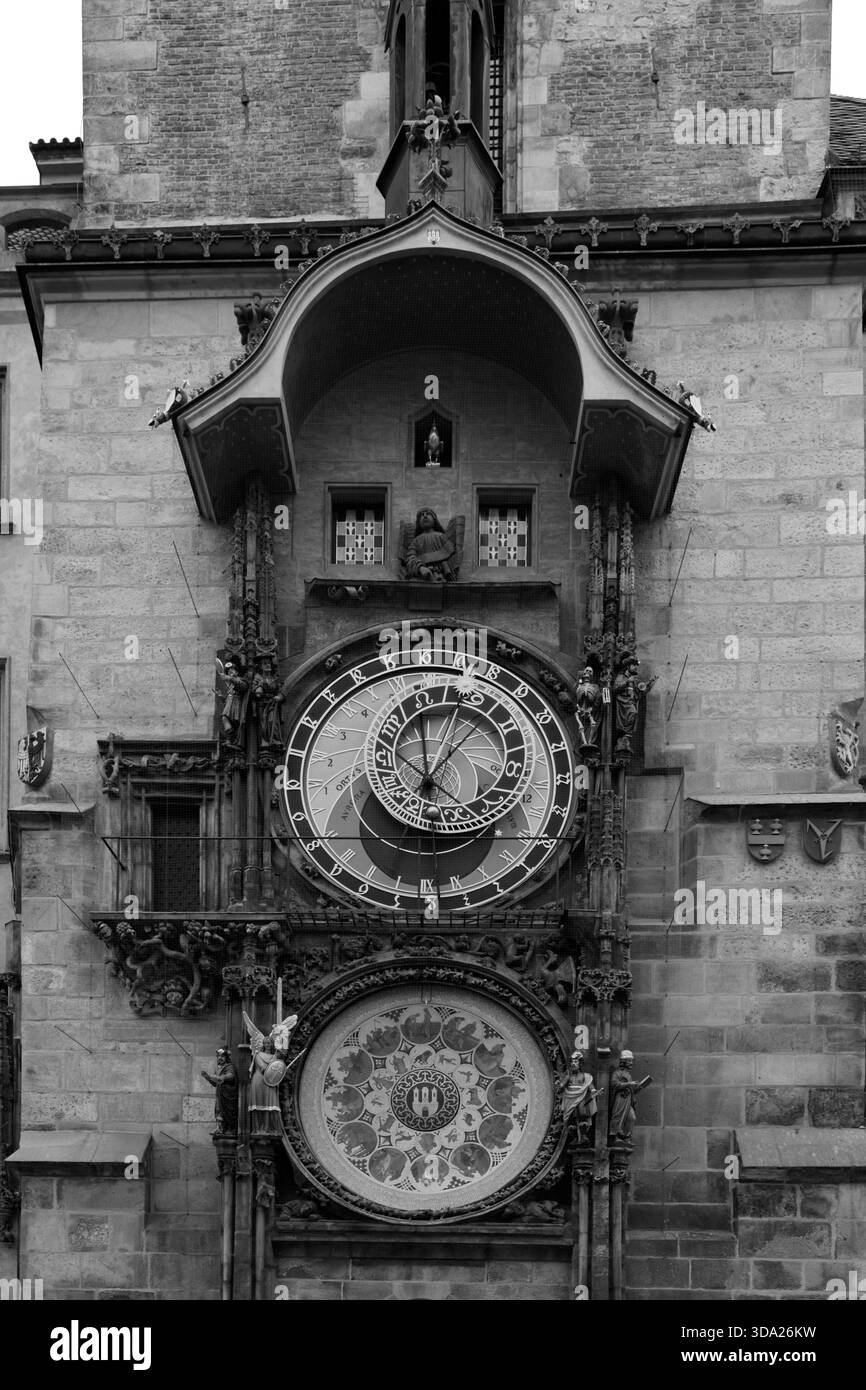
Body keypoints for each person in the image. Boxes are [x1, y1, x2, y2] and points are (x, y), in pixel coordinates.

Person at [608, 1050, 651, 1146]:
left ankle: (627, 1137)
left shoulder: (628, 1075)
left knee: (632, 1117)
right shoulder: (617, 1073)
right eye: (629, 1061)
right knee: (618, 1116)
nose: (631, 1063)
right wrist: (629, 1084)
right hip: (621, 1099)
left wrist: (639, 1087)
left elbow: (632, 1090)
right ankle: (616, 1137)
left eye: (631, 1061)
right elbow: (614, 1084)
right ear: (623, 1062)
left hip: (628, 1100)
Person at [404, 509, 458, 581]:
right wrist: (420, 568)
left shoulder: (441, 537)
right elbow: (410, 558)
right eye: (422, 515)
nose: (425, 516)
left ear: (434, 520)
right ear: (418, 522)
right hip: (421, 576)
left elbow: (452, 556)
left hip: (440, 576)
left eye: (428, 514)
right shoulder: (416, 541)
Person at [559, 1050, 599, 1147]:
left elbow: (590, 1085)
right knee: (572, 1117)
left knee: (582, 1114)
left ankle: (583, 1135)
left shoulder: (585, 1076)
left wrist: (593, 1091)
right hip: (570, 1098)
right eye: (572, 1062)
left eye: (576, 1062)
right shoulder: (569, 1076)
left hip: (581, 1098)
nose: (573, 1064)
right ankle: (575, 1137)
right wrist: (560, 1086)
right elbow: (562, 1086)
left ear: (580, 1064)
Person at [201, 1047, 239, 1134]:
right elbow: (215, 1084)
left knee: (229, 1111)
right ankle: (220, 1128)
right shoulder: (218, 1069)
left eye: (222, 1056)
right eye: (218, 1056)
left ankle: (231, 1129)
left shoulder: (230, 1067)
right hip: (220, 1094)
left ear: (226, 1058)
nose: (219, 1058)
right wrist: (208, 1077)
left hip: (228, 1095)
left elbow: (231, 1076)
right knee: (219, 1110)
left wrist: (220, 1078)